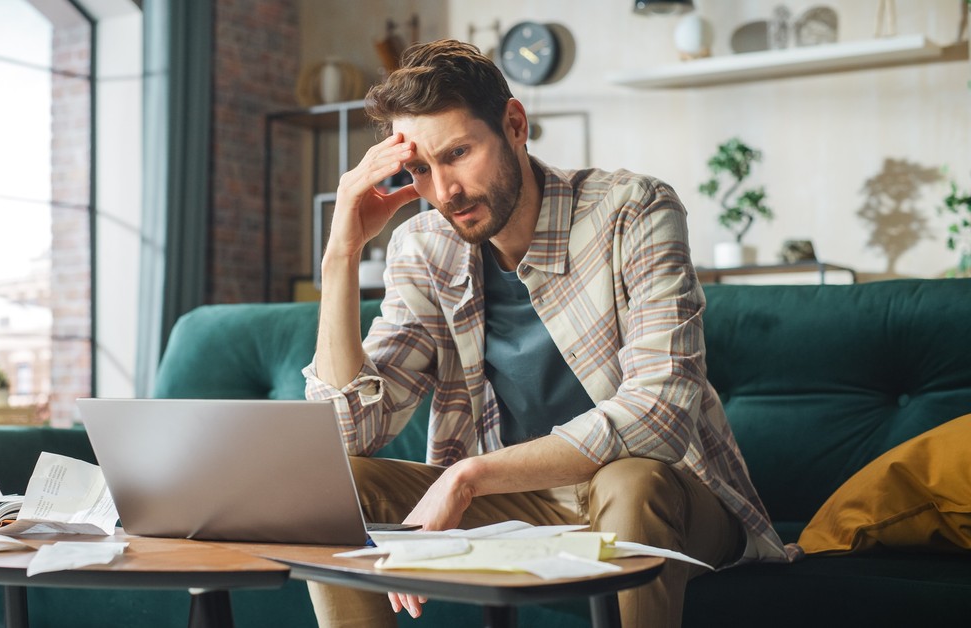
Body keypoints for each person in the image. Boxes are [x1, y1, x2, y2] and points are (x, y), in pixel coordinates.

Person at [302, 39, 794, 628]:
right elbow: (349, 433)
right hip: (519, 507)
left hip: (662, 496)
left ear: (514, 125)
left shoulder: (632, 211)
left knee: (630, 481)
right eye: (419, 170)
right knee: (335, 489)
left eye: (458, 152)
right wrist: (342, 253)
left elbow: (660, 411)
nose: (445, 191)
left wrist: (469, 476)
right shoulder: (424, 248)